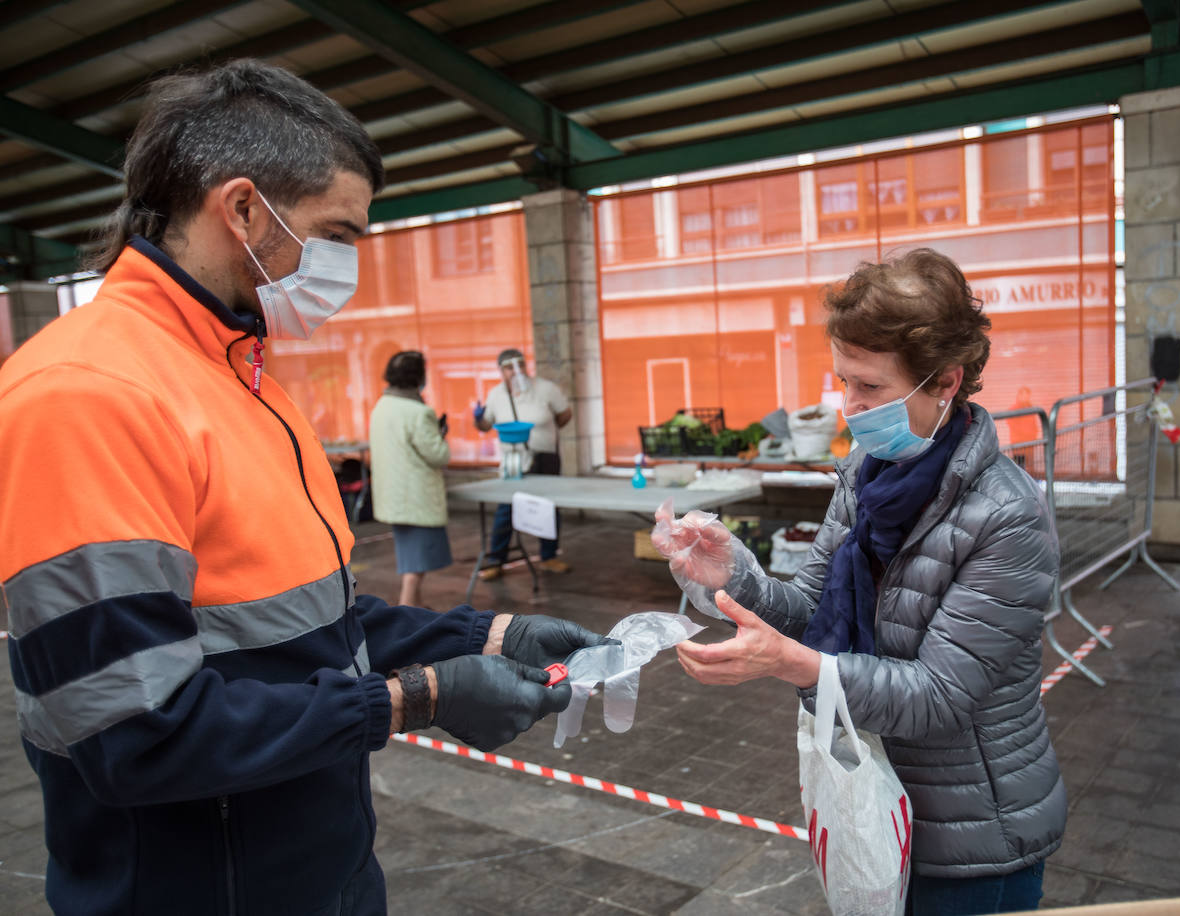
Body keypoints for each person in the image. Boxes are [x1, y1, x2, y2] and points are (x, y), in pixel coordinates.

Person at [0, 61, 606, 916]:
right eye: (336, 233)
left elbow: (305, 624)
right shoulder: (88, 396)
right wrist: (419, 698)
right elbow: (134, 733)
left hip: (314, 867)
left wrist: (489, 633)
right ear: (243, 209)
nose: (347, 265)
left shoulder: (242, 379)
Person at [654, 248, 1064, 915]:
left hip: (971, 839)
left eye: (870, 387)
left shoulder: (1007, 515)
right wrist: (734, 578)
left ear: (946, 380)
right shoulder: (866, 477)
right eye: (843, 381)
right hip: (874, 804)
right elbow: (811, 608)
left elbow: (938, 696)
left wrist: (793, 664)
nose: (850, 407)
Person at [474, 347, 573, 578]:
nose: (516, 371)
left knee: (549, 506)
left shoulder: (546, 389)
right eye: (509, 367)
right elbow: (485, 425)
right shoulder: (496, 395)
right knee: (506, 507)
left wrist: (547, 433)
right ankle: (496, 560)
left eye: (520, 365)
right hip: (513, 460)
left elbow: (564, 414)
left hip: (545, 456)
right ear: (501, 371)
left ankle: (549, 556)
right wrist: (477, 418)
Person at [370, 350, 453, 608]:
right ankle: (406, 612)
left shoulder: (382, 406)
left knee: (410, 559)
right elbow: (438, 455)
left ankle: (416, 609)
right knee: (415, 568)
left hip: (394, 496)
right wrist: (440, 435)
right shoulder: (418, 412)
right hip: (417, 498)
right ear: (418, 376)